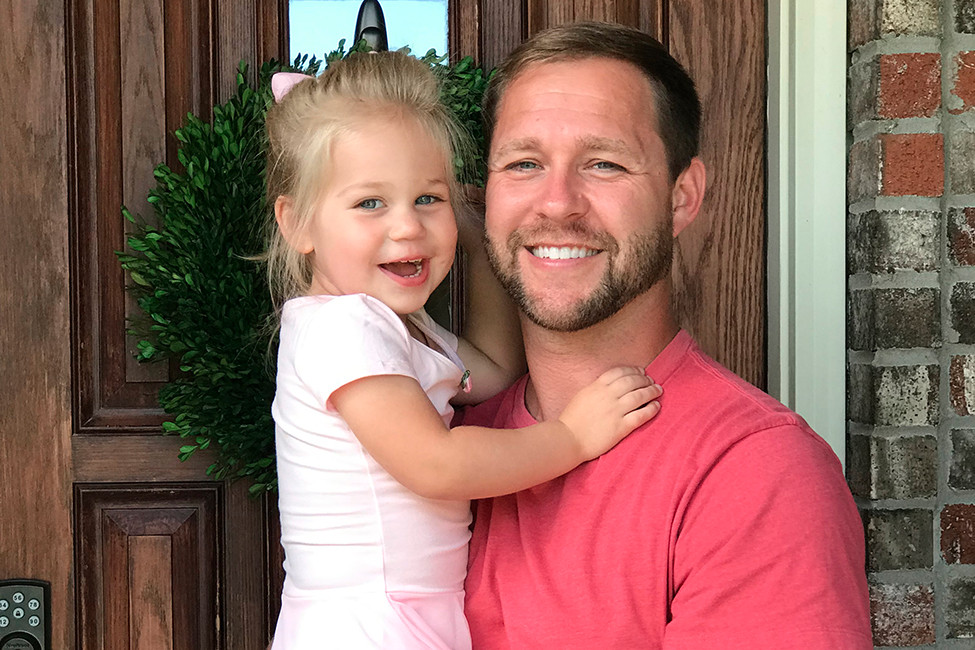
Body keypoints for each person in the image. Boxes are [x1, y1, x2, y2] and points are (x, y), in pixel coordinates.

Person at [459, 21, 873, 649]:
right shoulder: (444, 443)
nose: (557, 203)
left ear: (682, 198)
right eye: (524, 164)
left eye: (604, 164)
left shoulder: (755, 474)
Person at [263, 50, 663, 650]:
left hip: (408, 614)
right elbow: (436, 465)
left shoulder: (398, 325)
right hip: (369, 623)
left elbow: (496, 370)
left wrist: (478, 243)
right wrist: (573, 437)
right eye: (370, 203)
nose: (407, 226)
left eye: (429, 199)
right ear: (297, 225)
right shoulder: (342, 329)